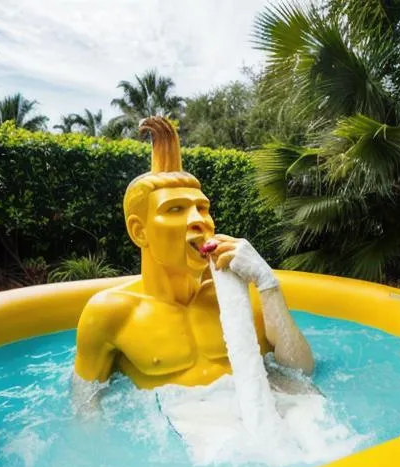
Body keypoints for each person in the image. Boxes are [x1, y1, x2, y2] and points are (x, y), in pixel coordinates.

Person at [73, 117, 313, 393]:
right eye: (175, 209)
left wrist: (268, 283)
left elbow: (300, 373)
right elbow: (85, 403)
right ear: (139, 231)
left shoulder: (238, 296)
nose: (200, 220)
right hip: (173, 428)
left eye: (202, 208)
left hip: (253, 424)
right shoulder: (110, 314)